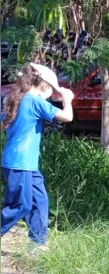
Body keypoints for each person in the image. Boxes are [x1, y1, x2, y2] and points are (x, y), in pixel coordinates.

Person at [1, 63, 75, 252]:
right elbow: (67, 117)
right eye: (51, 89)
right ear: (43, 85)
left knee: (39, 201)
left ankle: (37, 243)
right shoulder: (34, 100)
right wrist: (67, 100)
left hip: (25, 163)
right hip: (21, 163)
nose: (51, 93)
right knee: (20, 205)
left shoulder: (16, 98)